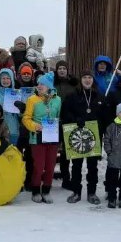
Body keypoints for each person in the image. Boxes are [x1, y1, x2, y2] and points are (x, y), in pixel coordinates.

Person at [61, 69, 106, 205]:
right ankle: (76, 192)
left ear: (93, 80)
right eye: (85, 77)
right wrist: (76, 120)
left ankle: (91, 193)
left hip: (93, 136)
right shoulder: (72, 96)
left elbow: (104, 116)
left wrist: (99, 126)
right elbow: (65, 114)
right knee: (76, 166)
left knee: (93, 166)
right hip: (77, 135)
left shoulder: (99, 96)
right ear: (81, 80)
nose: (87, 80)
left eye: (90, 78)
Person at [22, 72, 62, 203]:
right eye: (38, 83)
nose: (39, 86)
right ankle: (35, 190)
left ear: (49, 86)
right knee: (38, 166)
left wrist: (58, 130)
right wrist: (34, 126)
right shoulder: (32, 100)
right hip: (37, 137)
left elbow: (59, 117)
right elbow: (26, 118)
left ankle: (46, 190)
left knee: (50, 166)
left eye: (42, 84)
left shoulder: (57, 100)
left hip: (52, 137)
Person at [53, 60, 78, 188]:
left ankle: (66, 178)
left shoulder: (73, 84)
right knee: (52, 149)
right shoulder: (52, 83)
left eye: (64, 68)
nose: (62, 70)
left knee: (67, 152)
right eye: (60, 68)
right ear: (56, 70)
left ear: (67, 70)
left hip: (69, 120)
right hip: (53, 121)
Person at [0, 68, 22, 146]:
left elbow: (20, 115)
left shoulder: (17, 93)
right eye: (3, 78)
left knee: (12, 154)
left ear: (12, 80)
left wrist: (21, 109)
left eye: (8, 78)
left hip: (13, 129)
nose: (5, 80)